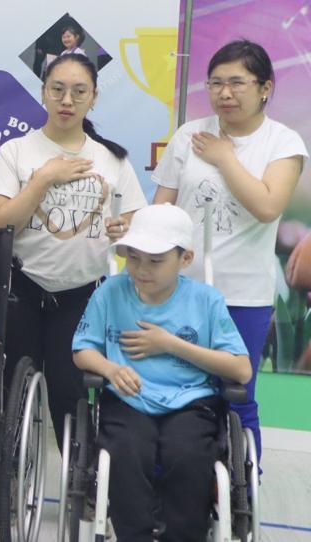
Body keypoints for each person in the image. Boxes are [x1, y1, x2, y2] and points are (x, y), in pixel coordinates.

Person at [151, 39, 306, 459]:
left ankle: (241, 489)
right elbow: (161, 209)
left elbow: (267, 206)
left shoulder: (283, 142)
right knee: (171, 392)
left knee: (237, 395)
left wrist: (225, 157)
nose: (225, 93)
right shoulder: (189, 135)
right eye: (216, 82)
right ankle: (173, 482)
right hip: (179, 290)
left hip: (242, 296)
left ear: (265, 88)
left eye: (237, 83)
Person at [0, 53, 146, 445]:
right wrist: (44, 179)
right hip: (21, 288)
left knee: (69, 391)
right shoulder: (15, 152)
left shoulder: (112, 159)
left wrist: (124, 229)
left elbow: (137, 228)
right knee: (13, 389)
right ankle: (9, 470)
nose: (67, 100)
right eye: (57, 89)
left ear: (94, 97)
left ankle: (78, 473)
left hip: (81, 294)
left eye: (79, 91)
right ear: (43, 93)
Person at [73, 204, 251, 542]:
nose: (141, 269)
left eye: (155, 261)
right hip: (128, 401)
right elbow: (82, 350)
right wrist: (110, 368)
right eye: (133, 257)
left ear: (185, 259)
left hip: (190, 403)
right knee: (125, 453)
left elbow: (241, 369)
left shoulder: (206, 300)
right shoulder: (110, 292)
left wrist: (170, 344)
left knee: (187, 456)